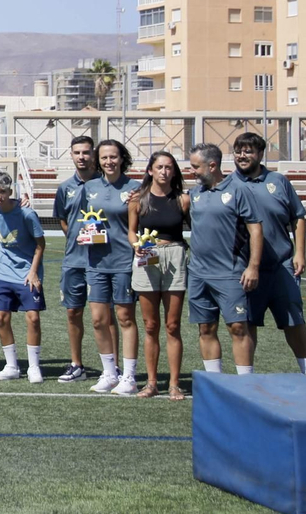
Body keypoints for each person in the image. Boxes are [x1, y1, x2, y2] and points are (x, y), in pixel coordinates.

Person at [226, 131, 306, 378]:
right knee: (247, 322)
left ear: (260, 154)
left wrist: (300, 253)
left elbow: (297, 217)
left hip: (281, 264)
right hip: (244, 267)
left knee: (293, 319)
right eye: (238, 151)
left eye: (248, 151)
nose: (242, 156)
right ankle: (247, 377)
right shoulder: (227, 185)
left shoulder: (278, 181)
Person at [185, 143, 263, 377]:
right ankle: (215, 382)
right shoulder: (194, 193)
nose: (192, 171)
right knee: (205, 328)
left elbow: (256, 231)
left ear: (212, 165)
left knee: (238, 327)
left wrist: (253, 266)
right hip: (198, 274)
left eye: (195, 167)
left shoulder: (239, 190)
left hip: (230, 273)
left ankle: (245, 383)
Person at [72, 140, 141, 395]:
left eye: (113, 157)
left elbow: (142, 223)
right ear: (97, 161)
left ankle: (130, 377)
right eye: (104, 158)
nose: (109, 161)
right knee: (99, 320)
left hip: (123, 262)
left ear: (122, 158)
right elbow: (81, 220)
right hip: (96, 262)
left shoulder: (135, 188)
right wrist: (85, 234)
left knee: (124, 318)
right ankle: (109, 373)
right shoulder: (89, 187)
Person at [129, 150, 189, 399]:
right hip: (147, 257)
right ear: (150, 170)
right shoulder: (137, 199)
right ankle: (152, 383)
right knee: (150, 325)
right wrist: (136, 245)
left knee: (172, 325)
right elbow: (131, 232)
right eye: (160, 167)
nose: (164, 171)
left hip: (175, 255)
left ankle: (174, 383)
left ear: (174, 171)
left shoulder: (183, 200)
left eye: (169, 167)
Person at [0, 171, 46, 382]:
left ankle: (34, 367)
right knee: (1, 317)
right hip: (2, 272)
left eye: (2, 192)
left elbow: (40, 245)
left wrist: (33, 272)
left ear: (11, 192)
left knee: (33, 318)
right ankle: (12, 366)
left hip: (27, 272)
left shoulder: (27, 214)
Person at [51, 136, 99, 382]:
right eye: (77, 152)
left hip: (102, 261)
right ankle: (76, 364)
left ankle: (111, 367)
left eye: (86, 152)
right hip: (73, 261)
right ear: (71, 155)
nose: (82, 156)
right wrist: (76, 238)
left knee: (105, 316)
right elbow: (62, 219)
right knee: (73, 312)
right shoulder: (65, 187)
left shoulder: (104, 185)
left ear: (94, 155)